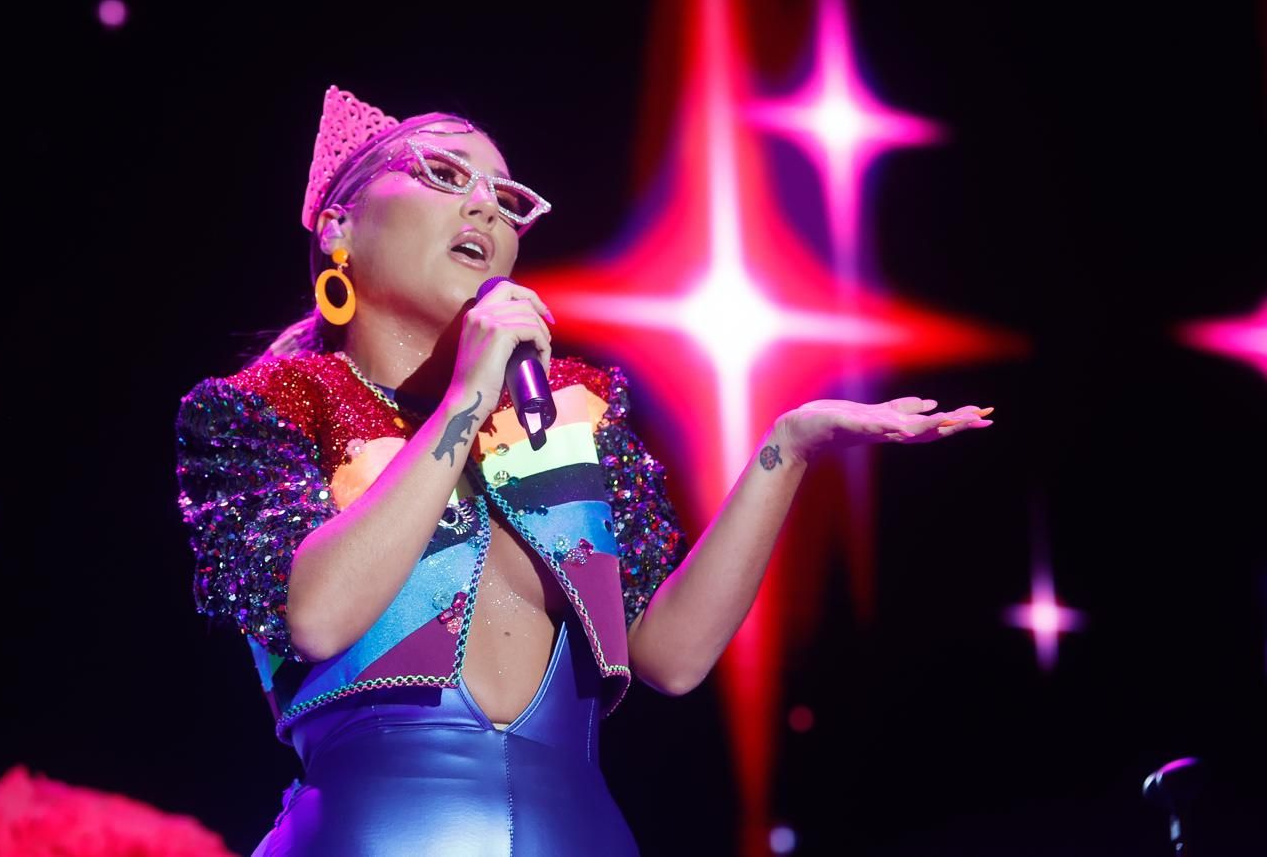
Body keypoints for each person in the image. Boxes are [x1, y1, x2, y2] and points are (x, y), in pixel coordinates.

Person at [172, 85, 994, 856]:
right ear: (338, 228)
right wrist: (469, 395)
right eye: (443, 175)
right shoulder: (263, 410)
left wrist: (790, 447)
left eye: (506, 198)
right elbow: (318, 618)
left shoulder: (573, 413)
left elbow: (671, 655)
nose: (483, 207)